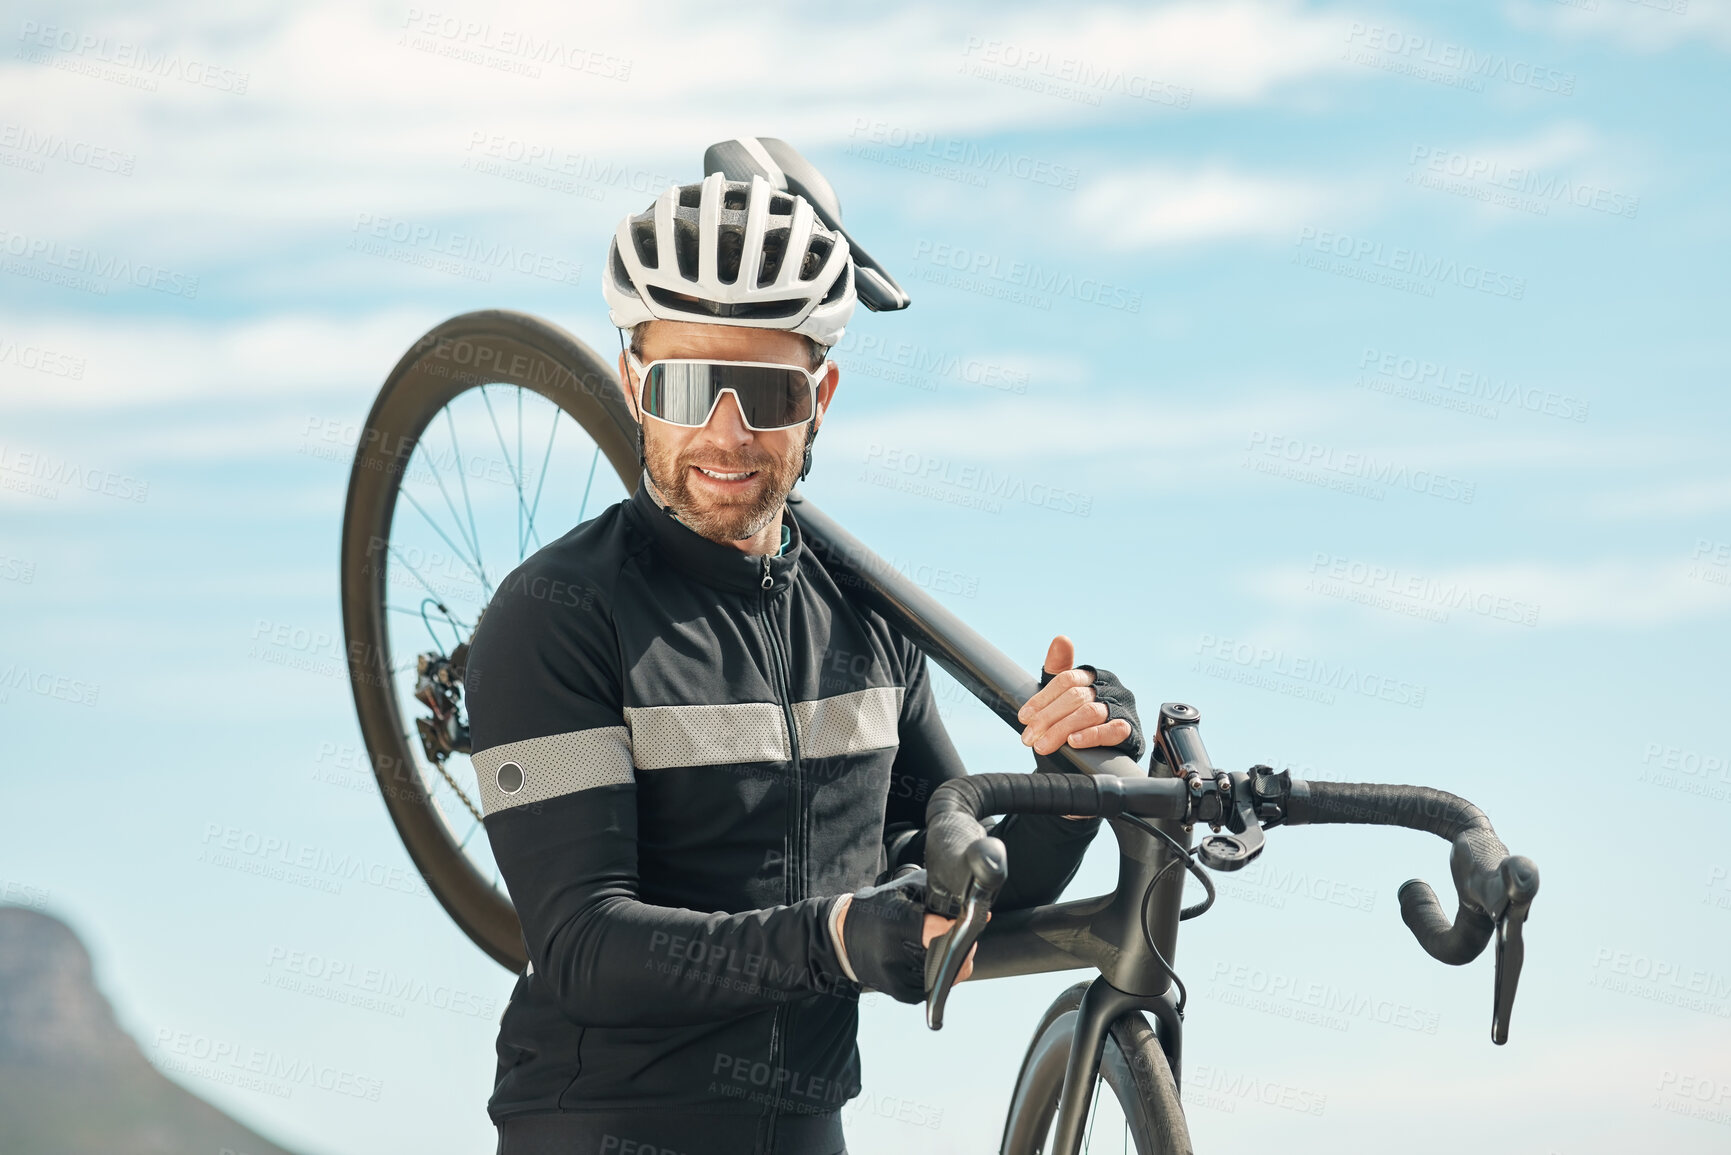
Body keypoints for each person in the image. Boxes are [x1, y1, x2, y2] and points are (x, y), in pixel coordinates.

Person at [466, 171, 1145, 1155]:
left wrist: (1067, 788)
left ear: (819, 396)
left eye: (771, 392)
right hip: (602, 1128)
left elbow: (949, 874)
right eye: (691, 386)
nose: (729, 433)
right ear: (633, 386)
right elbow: (584, 949)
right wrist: (835, 939)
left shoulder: (869, 620)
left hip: (807, 1126)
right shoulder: (555, 619)